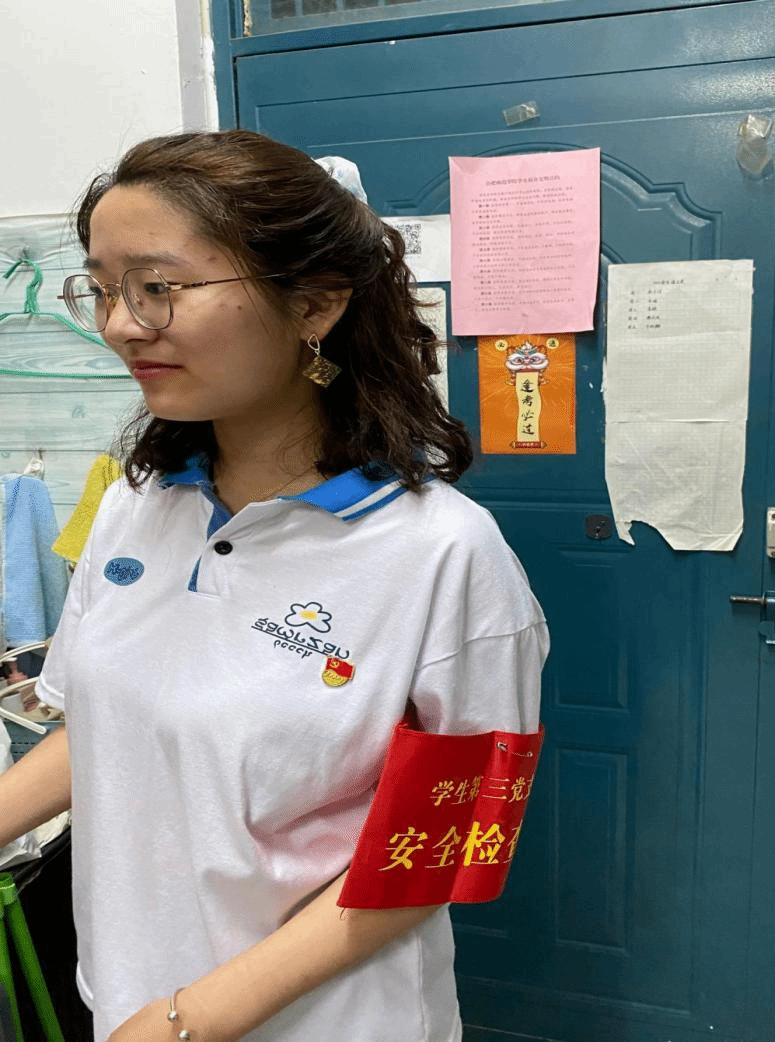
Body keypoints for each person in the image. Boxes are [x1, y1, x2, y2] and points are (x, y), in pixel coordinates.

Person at [0, 130, 547, 1042]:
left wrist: (191, 1019)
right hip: (126, 997)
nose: (121, 324)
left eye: (157, 286)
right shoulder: (136, 506)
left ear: (316, 304)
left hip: (318, 1021)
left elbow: (439, 848)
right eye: (100, 288)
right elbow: (103, 731)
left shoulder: (444, 554)